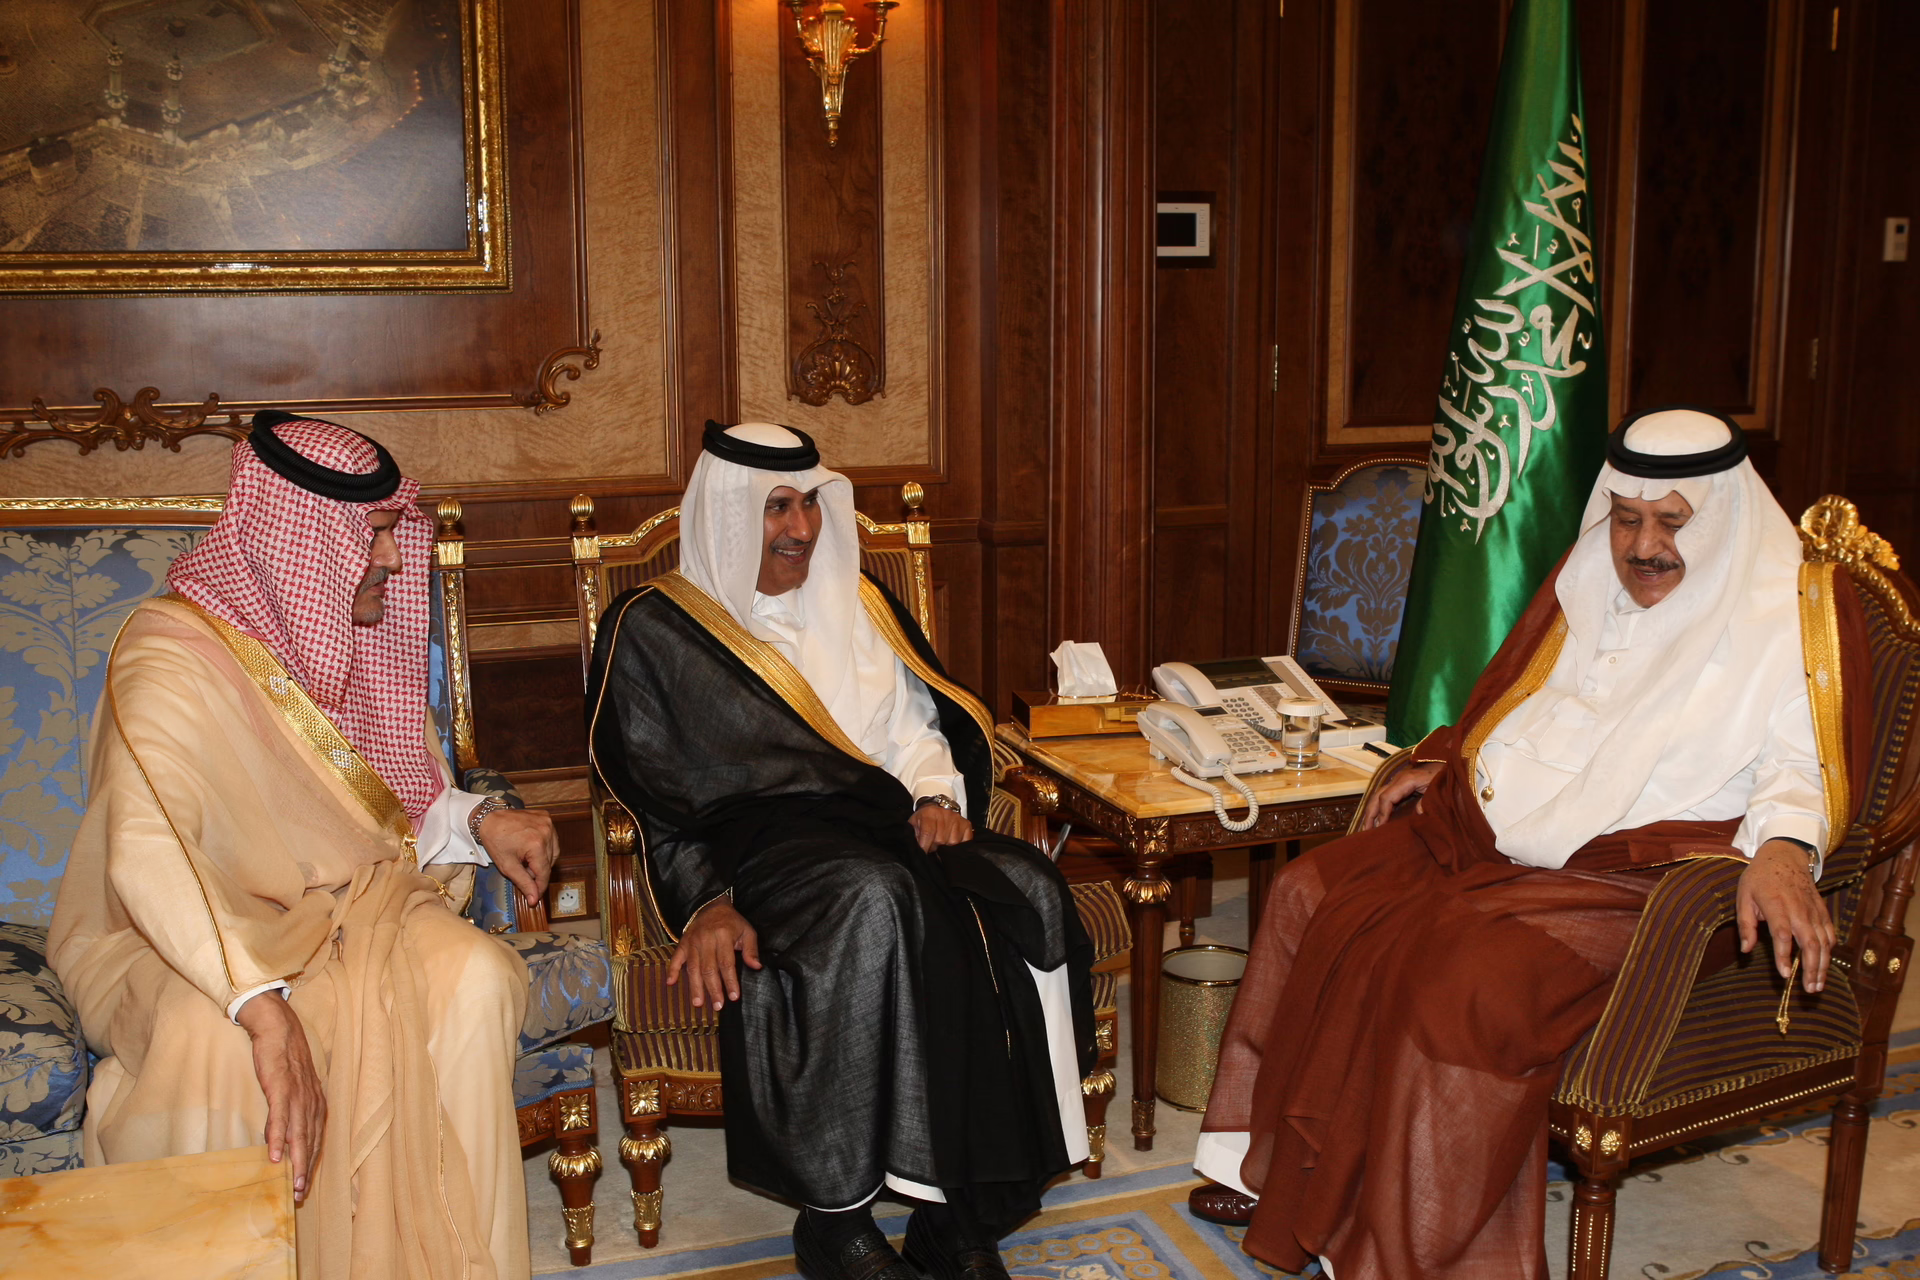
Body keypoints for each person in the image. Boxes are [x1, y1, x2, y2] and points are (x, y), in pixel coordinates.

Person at [1189, 407, 1873, 1279]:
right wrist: (1449, 754)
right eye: (1627, 518)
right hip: (1499, 833)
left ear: (1724, 516)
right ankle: (1274, 1170)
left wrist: (1784, 849)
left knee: (1459, 979)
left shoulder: (1793, 618)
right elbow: (1524, 701)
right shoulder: (1588, 578)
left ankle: (1410, 1247)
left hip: (1637, 874)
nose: (1644, 547)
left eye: (1673, 522)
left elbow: (1806, 763)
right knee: (1307, 891)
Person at [50, 413, 560, 1280]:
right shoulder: (168, 654)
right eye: (373, 536)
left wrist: (476, 819)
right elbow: (150, 846)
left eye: (393, 531)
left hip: (351, 911)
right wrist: (258, 1001)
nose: (393, 559)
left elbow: (380, 810)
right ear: (304, 543)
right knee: (216, 1046)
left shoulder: (356, 638)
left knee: (476, 978)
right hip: (183, 934)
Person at [588, 422, 1096, 1280]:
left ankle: (957, 1215)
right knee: (877, 896)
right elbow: (651, 799)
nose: (802, 529)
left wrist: (937, 795)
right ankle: (838, 1223)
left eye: (812, 504)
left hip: (884, 824)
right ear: (729, 514)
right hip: (761, 851)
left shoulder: (855, 600)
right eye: (778, 507)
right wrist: (707, 901)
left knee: (1029, 888)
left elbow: (915, 727)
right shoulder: (656, 629)